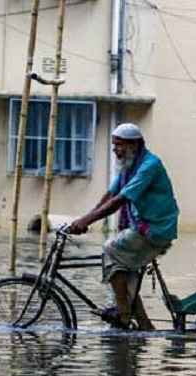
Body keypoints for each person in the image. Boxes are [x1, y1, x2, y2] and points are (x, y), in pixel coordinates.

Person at [67, 123, 178, 330]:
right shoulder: (129, 167)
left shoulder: (149, 166)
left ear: (133, 145)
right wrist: (85, 218)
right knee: (126, 275)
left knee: (111, 249)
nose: (115, 150)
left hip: (156, 229)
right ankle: (144, 326)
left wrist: (87, 221)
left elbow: (120, 199)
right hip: (141, 226)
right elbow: (110, 194)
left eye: (119, 145)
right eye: (114, 145)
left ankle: (123, 313)